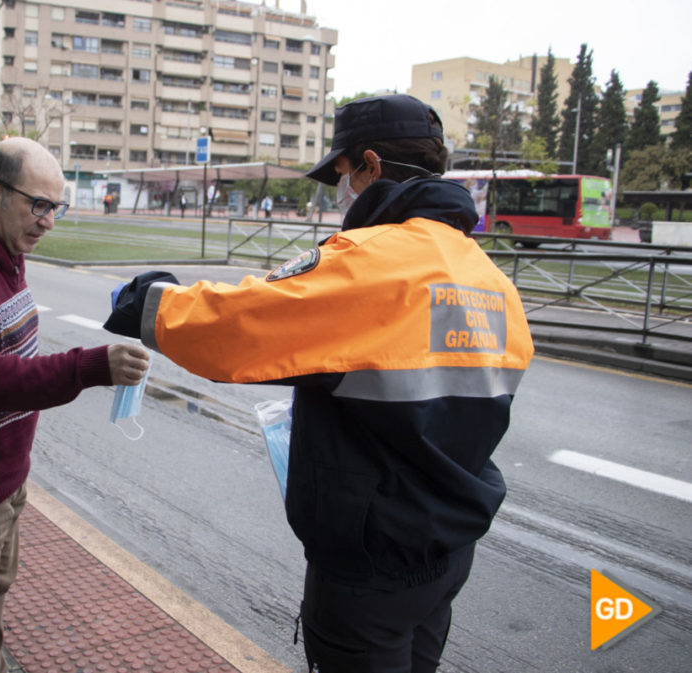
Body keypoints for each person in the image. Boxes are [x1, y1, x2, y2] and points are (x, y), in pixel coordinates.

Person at [103, 94, 534, 673]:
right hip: (448, 552)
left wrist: (146, 301)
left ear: (371, 166)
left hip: (370, 569)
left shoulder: (369, 260)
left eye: (342, 173)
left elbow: (240, 323)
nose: (342, 190)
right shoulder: (488, 276)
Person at [0, 137, 150, 673]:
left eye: (56, 207)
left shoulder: (3, 248)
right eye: (38, 205)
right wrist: (89, 367)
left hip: (3, 475)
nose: (49, 222)